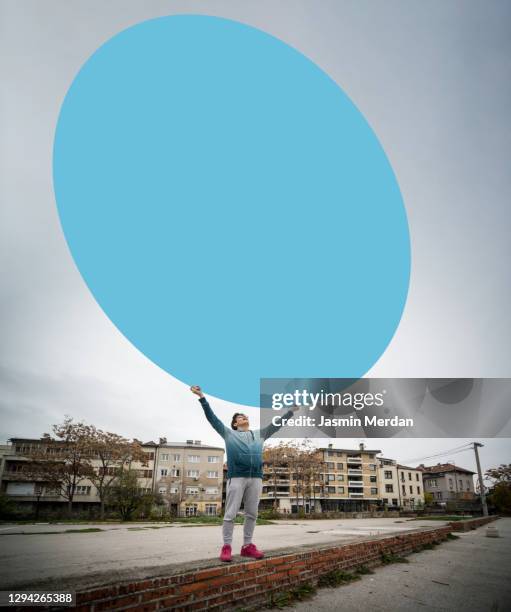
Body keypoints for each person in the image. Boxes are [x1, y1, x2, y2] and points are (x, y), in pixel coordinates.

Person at [190, 385, 294, 562]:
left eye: (245, 416)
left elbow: (277, 424)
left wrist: (290, 412)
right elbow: (212, 418)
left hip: (256, 479)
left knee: (252, 514)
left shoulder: (260, 434)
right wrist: (202, 398)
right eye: (239, 417)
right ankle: (227, 547)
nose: (243, 418)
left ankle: (247, 546)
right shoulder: (229, 434)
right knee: (230, 513)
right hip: (237, 477)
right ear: (235, 424)